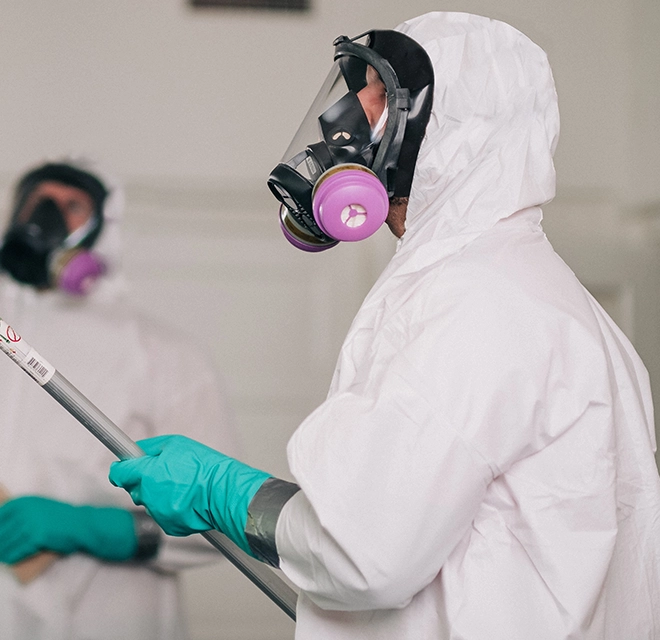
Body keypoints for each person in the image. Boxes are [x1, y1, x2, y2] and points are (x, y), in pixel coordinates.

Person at [108, 12, 660, 639]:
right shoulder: (545, 299)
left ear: (452, 127)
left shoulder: (473, 302)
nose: (341, 118)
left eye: (373, 93)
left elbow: (360, 550)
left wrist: (225, 493)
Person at [0, 159, 239, 640]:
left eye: (71, 205)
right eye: (38, 202)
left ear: (101, 229)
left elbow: (219, 513)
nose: (47, 218)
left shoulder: (163, 352)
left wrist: (99, 529)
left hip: (111, 612)